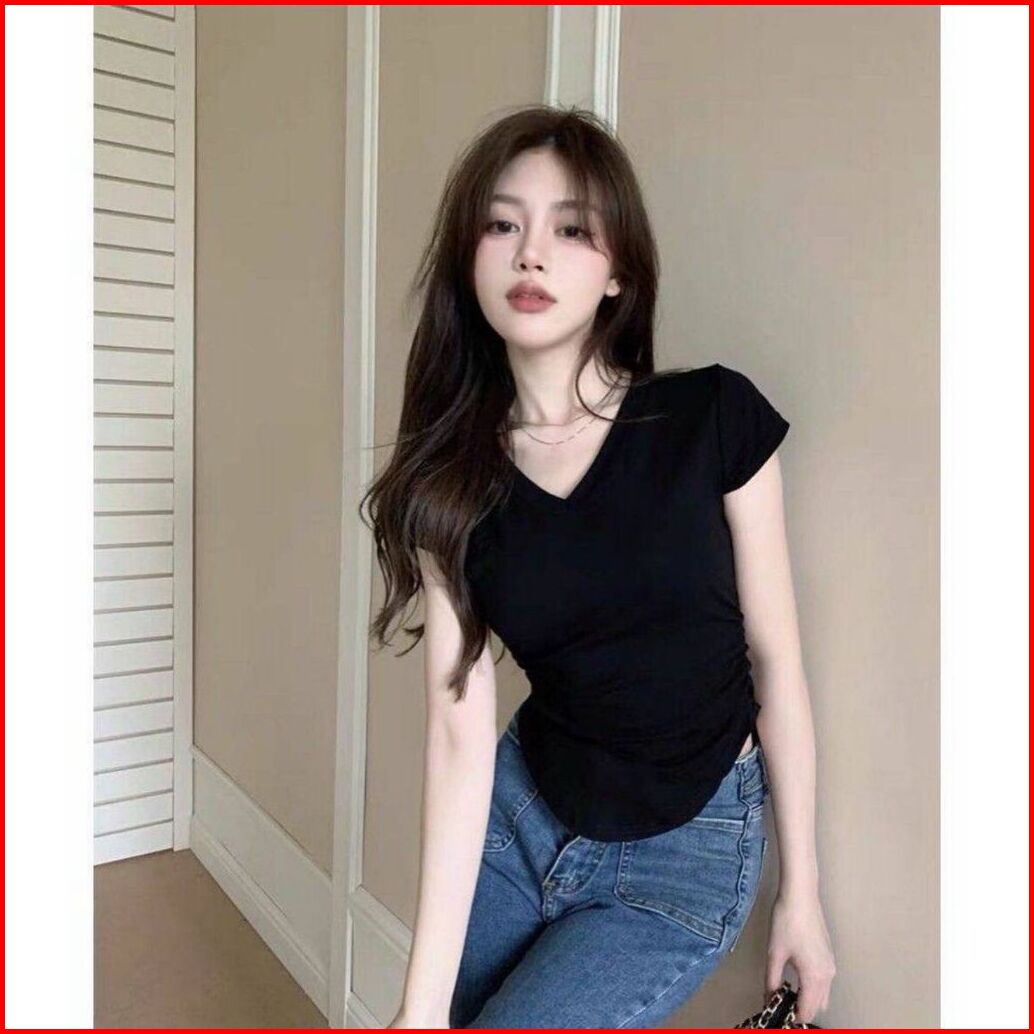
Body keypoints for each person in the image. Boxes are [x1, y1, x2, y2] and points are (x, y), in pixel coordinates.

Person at [361, 104, 836, 1029]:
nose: (532, 254)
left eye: (572, 229)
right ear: (470, 259)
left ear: (618, 272)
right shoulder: (448, 485)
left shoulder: (714, 420)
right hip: (519, 813)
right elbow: (458, 736)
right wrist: (416, 1012)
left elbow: (776, 663)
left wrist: (802, 895)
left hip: (683, 855)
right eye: (503, 225)